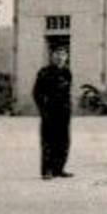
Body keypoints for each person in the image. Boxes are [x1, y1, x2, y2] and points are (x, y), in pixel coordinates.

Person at [33, 46, 74, 179]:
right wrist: (43, 110)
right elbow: (36, 93)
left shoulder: (67, 72)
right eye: (57, 54)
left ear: (67, 57)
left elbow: (67, 93)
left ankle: (59, 169)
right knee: (49, 141)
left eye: (63, 54)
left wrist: (69, 107)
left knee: (63, 141)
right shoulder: (44, 72)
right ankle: (47, 171)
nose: (60, 57)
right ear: (51, 56)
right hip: (49, 112)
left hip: (64, 112)